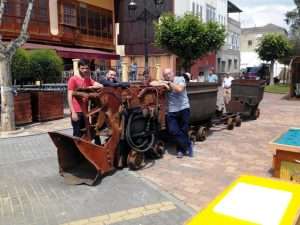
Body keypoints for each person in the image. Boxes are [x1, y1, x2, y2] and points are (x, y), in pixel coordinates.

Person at [151, 68, 192, 158]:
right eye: (166, 75)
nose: (168, 75)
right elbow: (152, 83)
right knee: (173, 130)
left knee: (183, 130)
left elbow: (179, 89)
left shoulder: (180, 79)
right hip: (172, 110)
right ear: (164, 76)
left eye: (169, 73)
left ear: (173, 73)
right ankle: (188, 143)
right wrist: (162, 82)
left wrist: (168, 83)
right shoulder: (165, 81)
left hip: (183, 108)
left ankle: (180, 150)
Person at [67, 59, 103, 137]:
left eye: (86, 68)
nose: (84, 70)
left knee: (86, 134)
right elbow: (69, 96)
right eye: (82, 68)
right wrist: (73, 112)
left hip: (85, 111)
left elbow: (100, 85)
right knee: (77, 134)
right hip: (77, 111)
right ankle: (74, 149)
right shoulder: (73, 79)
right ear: (78, 68)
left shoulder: (88, 79)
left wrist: (90, 86)